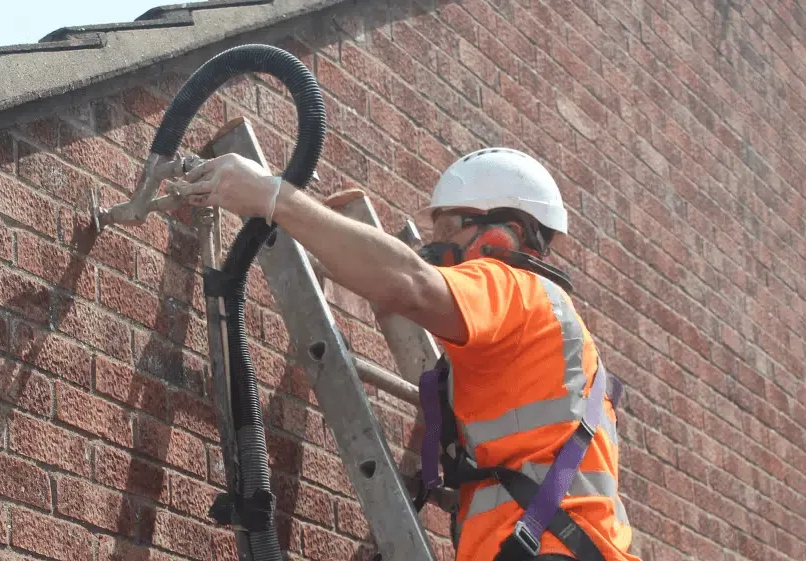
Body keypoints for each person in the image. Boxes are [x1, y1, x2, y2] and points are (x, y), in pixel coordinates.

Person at [178, 147, 641, 561]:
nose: (438, 248)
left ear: (506, 233)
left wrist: (274, 199)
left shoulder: (513, 288)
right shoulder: (542, 338)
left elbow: (413, 284)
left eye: (451, 230)